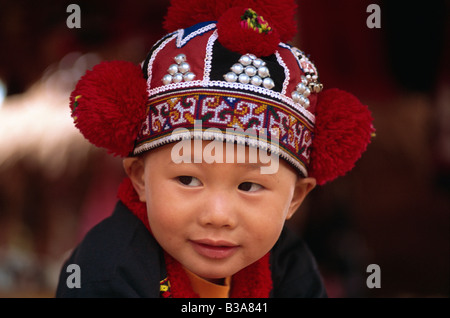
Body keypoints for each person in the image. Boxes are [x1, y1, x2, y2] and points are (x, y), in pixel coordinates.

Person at [56, 0, 374, 298]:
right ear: (140, 178)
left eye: (249, 185)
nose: (217, 216)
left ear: (295, 197)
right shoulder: (106, 271)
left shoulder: (288, 265)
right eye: (188, 180)